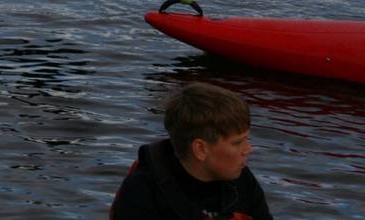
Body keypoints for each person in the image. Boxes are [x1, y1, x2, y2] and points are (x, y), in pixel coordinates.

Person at [111, 82, 273, 220]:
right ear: (200, 149)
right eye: (237, 143)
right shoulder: (141, 192)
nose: (249, 149)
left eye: (247, 139)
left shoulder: (241, 180)